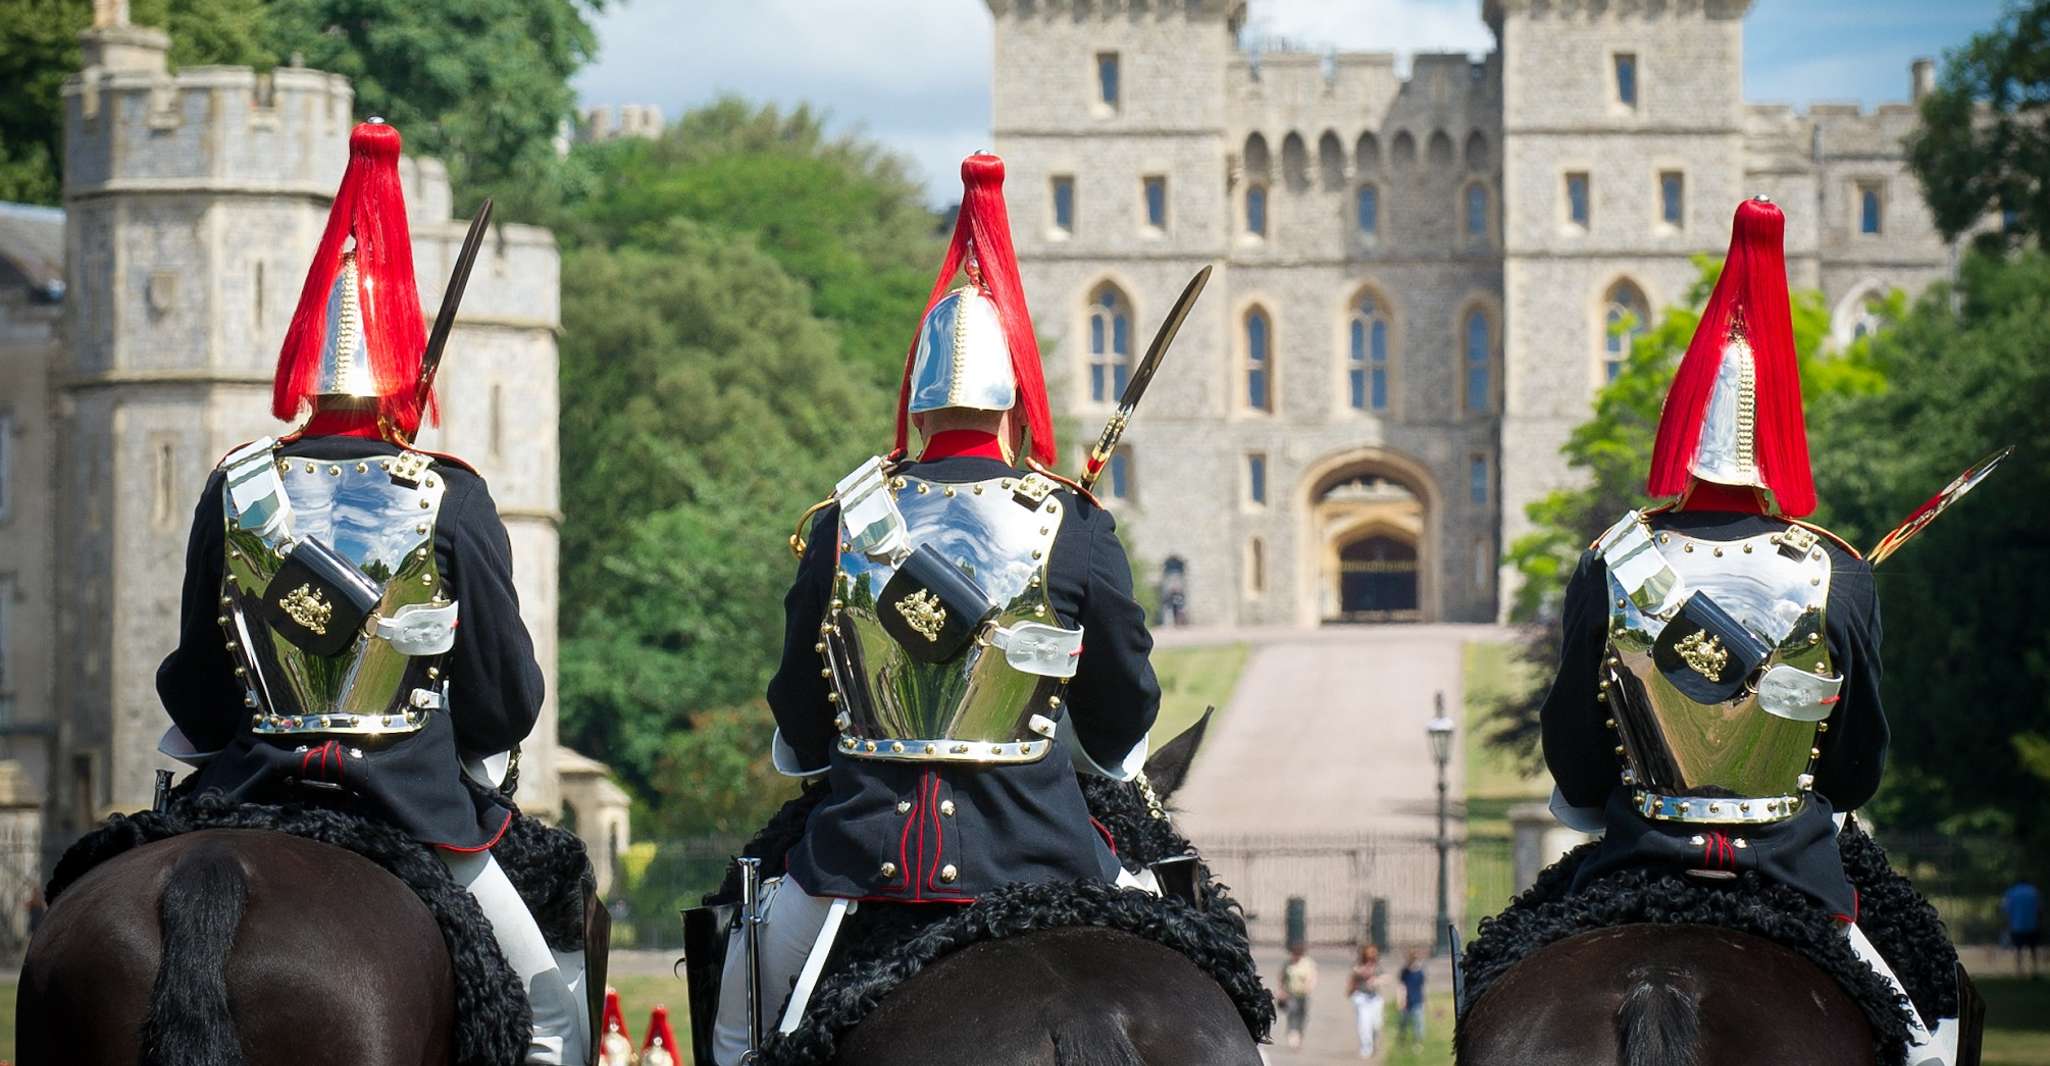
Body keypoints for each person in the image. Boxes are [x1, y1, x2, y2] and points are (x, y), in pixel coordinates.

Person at [705, 151, 1160, 1063]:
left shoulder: (847, 519)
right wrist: (1107, 744)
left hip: (853, 860)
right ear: (1010, 400)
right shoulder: (1069, 520)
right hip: (1048, 848)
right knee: (1201, 960)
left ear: (916, 396)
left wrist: (805, 749)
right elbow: (1120, 709)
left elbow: (800, 702)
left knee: (735, 1027)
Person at [154, 120, 585, 1065]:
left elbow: (197, 684)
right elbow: (505, 701)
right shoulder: (447, 493)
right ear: (402, 372)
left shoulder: (237, 485)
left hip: (247, 792)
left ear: (307, 364)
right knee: (552, 1019)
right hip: (416, 807)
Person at [1537, 197, 1959, 1064]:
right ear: (1778, 444)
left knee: (1500, 973)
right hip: (1794, 868)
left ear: (1680, 436)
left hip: (1634, 857)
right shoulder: (1835, 572)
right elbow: (1854, 769)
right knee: (1931, 1013)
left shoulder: (1612, 560)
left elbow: (1575, 753)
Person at [1278, 942, 1318, 1050]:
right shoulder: (1287, 964)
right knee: (1292, 1014)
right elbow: (1282, 977)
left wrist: (1309, 987)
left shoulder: (1308, 963)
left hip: (1303, 994)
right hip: (1291, 994)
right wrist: (1281, 991)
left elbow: (1313, 976)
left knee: (1302, 1016)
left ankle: (1299, 1035)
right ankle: (1292, 1036)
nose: (1295, 956)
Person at [1347, 943, 1384, 1058]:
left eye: (1373, 954)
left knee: (1376, 1024)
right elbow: (1352, 977)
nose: (1371, 957)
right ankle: (1366, 1048)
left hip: (1375, 999)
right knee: (1364, 1023)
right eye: (1368, 954)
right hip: (1361, 997)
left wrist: (1377, 980)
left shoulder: (1377, 966)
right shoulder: (1357, 966)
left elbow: (1386, 977)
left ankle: (1372, 1043)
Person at [2004, 878, 2041, 978]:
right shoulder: (2033, 891)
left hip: (2017, 925)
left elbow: (2007, 910)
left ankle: (2019, 971)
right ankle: (2035, 970)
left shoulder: (2012, 892)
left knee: (2018, 949)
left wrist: (2008, 924)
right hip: (2032, 924)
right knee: (2033, 949)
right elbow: (2039, 909)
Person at [1398, 948, 1427, 1045]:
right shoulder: (1405, 972)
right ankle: (1402, 1038)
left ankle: (1418, 1041)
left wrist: (1425, 1001)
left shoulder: (1420, 972)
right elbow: (1402, 986)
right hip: (1407, 1000)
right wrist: (1401, 999)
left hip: (1417, 1000)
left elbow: (1423, 987)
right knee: (1404, 1022)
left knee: (1418, 1022)